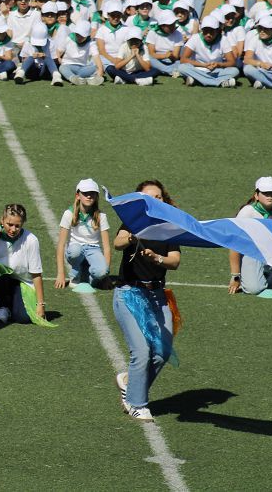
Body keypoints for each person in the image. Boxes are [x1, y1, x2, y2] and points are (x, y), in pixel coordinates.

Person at [112, 180, 182, 421]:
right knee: (141, 351)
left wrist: (156, 258)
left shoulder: (169, 226)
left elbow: (174, 260)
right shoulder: (133, 221)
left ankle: (129, 382)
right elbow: (118, 242)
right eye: (149, 196)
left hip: (158, 296)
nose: (154, 200)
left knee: (162, 351)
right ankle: (136, 403)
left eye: (158, 197)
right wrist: (131, 238)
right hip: (129, 294)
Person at [0, 204, 47, 325]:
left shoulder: (31, 240)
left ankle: (11, 306)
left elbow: (36, 274)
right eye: (10, 224)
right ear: (2, 220)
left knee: (23, 318)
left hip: (24, 283)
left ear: (22, 224)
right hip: (3, 279)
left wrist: (41, 304)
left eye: (17, 226)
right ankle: (3, 306)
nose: (13, 229)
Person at [228, 177, 272, 297]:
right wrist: (235, 276)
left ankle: (264, 275)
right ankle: (264, 277)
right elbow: (235, 243)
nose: (269, 196)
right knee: (254, 289)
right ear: (256, 195)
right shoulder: (247, 212)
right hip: (250, 255)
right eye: (265, 193)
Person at [55, 178, 111, 292]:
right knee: (75, 251)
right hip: (76, 249)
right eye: (85, 193)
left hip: (93, 249)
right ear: (78, 196)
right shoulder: (69, 214)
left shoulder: (101, 216)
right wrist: (60, 274)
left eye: (92, 193)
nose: (89, 196)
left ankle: (91, 277)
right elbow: (61, 245)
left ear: (96, 197)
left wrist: (106, 276)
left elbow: (106, 247)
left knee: (101, 272)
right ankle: (75, 274)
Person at [178, 15, 239, 87]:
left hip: (216, 71)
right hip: (198, 69)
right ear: (202, 30)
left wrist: (219, 64)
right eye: (206, 31)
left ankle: (197, 80)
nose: (208, 34)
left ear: (217, 31)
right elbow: (183, 59)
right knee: (182, 67)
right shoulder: (195, 38)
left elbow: (232, 62)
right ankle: (218, 82)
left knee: (235, 71)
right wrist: (204, 65)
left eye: (212, 31)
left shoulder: (224, 40)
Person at [58, 21, 104, 85]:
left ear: (87, 35)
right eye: (77, 34)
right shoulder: (69, 38)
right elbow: (59, 50)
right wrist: (59, 58)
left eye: (82, 36)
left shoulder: (91, 43)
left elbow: (96, 58)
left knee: (99, 67)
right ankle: (74, 78)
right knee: (62, 68)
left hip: (83, 68)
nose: (79, 37)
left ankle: (84, 80)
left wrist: (99, 74)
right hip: (68, 65)